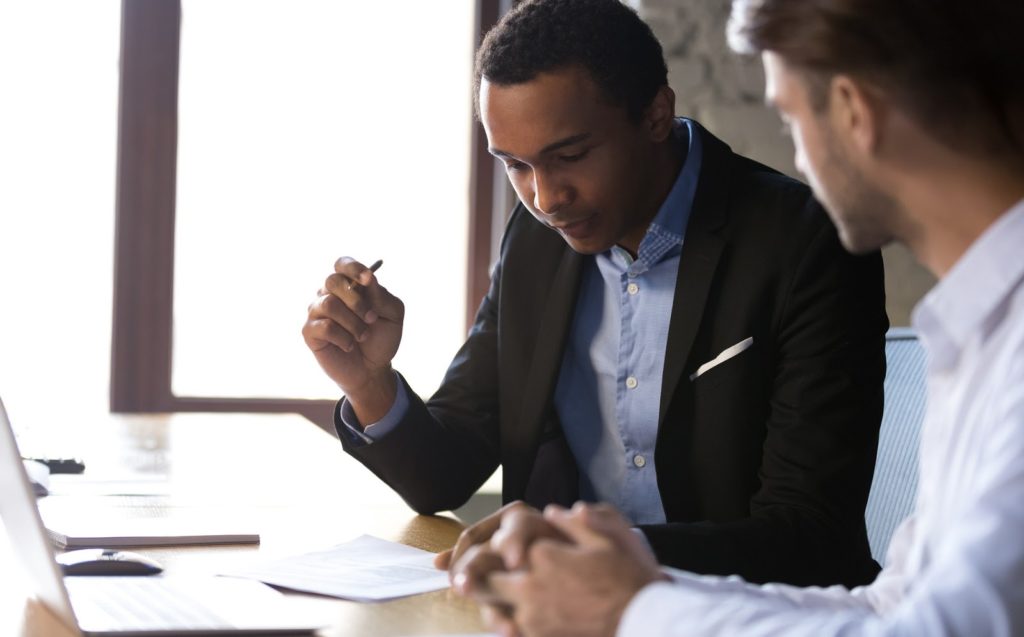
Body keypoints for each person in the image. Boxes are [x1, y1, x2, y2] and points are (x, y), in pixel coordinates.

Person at [451, 0, 1024, 635]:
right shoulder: (978, 332)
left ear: (855, 112)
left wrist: (630, 607)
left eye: (787, 115)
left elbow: (943, 628)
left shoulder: (1008, 347)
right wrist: (616, 579)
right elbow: (897, 607)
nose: (798, 159)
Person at [302, 0, 887, 587]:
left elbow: (810, 534)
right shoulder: (536, 241)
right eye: (514, 165)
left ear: (657, 114)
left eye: (570, 156)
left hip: (746, 616)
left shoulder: (806, 242)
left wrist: (591, 549)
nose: (545, 197)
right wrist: (368, 383)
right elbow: (446, 476)